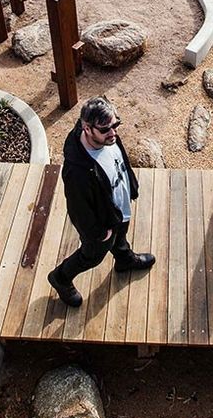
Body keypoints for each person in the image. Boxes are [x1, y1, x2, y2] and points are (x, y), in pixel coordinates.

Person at [48, 97, 156, 308]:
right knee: (92, 256)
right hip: (102, 224)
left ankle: (124, 260)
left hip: (118, 209)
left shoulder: (109, 138)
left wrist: (131, 186)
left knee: (121, 237)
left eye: (116, 125)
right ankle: (60, 278)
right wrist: (98, 232)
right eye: (106, 129)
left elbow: (120, 160)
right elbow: (78, 209)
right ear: (87, 128)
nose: (113, 133)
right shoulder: (77, 171)